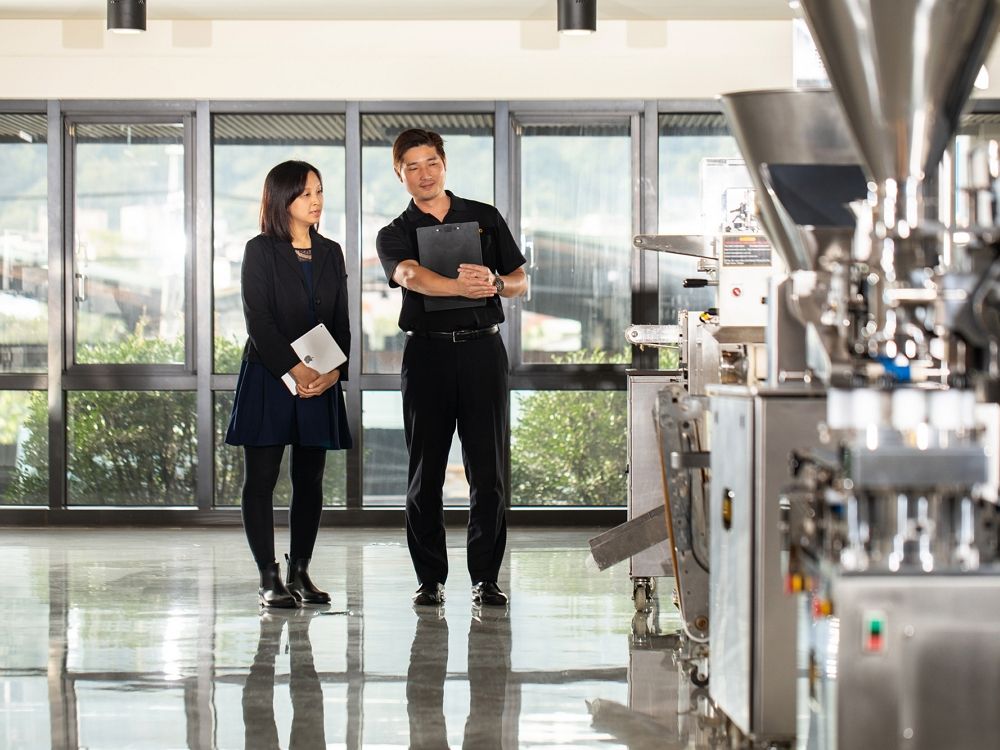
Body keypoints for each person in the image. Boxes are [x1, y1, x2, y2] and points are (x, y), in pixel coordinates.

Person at [375, 129, 527, 608]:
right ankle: (430, 579)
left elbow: (519, 281)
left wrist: (497, 283)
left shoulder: (484, 217)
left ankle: (485, 578)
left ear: (444, 164)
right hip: (427, 356)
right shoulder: (393, 233)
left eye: (431, 163)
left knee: (490, 472)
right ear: (399, 174)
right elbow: (408, 275)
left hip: (483, 352)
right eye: (412, 167)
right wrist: (461, 289)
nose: (424, 174)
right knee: (426, 473)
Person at [226, 160, 352, 609]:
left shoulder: (332, 252)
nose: (316, 201)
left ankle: (300, 572)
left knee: (310, 478)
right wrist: (295, 370)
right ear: (282, 200)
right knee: (261, 478)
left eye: (319, 191)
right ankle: (268, 577)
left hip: (322, 377)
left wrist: (335, 371)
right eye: (305, 194)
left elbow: (340, 320)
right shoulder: (259, 250)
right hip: (269, 376)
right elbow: (257, 318)